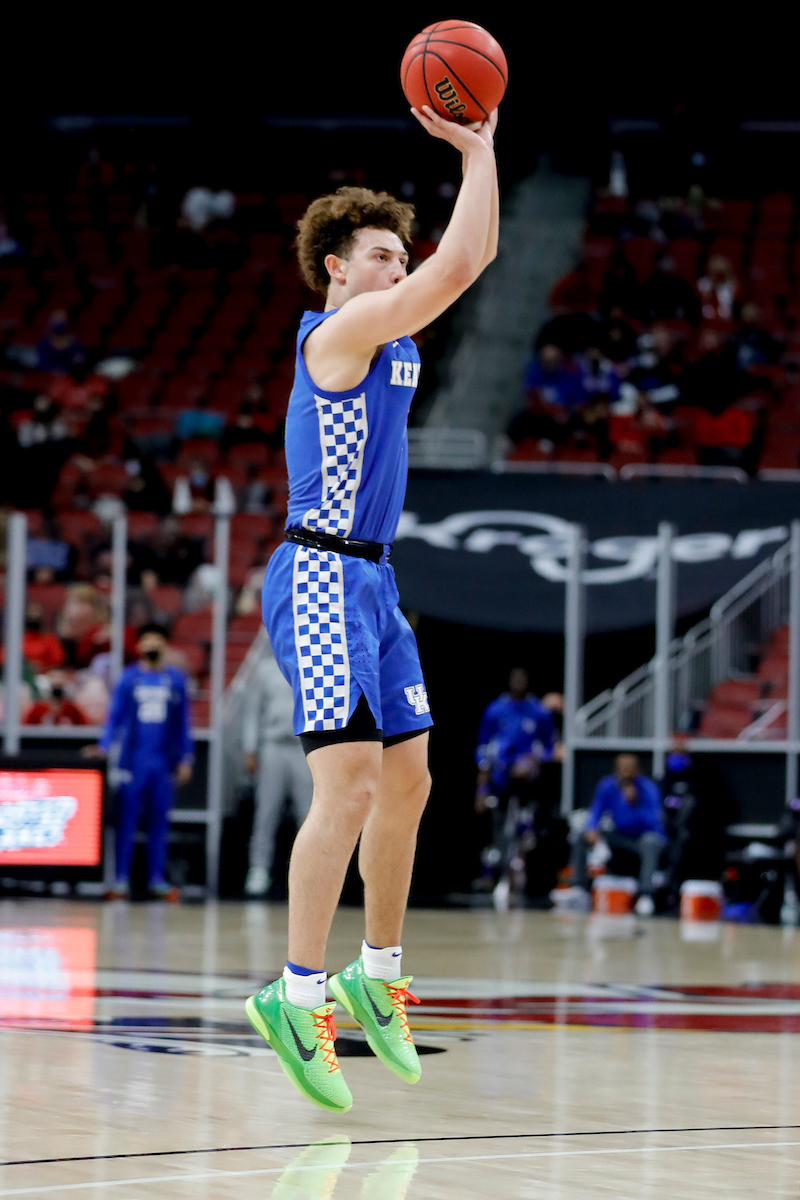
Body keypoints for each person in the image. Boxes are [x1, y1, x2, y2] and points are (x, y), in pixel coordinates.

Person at [246, 101, 499, 1113]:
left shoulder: (389, 322)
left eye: (400, 256)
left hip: (374, 578)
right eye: (382, 255)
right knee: (347, 787)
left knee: (411, 783)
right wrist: (473, 155)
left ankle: (374, 970)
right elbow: (454, 270)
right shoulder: (341, 333)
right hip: (316, 571)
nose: (400, 268)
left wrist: (480, 152)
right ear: (335, 270)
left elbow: (466, 257)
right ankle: (296, 993)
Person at [87, 624, 193, 901]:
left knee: (159, 821)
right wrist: (104, 745)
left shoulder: (176, 681)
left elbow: (183, 723)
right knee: (127, 821)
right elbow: (116, 717)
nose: (152, 646)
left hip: (162, 764)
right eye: (147, 640)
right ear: (139, 646)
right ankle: (120, 879)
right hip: (132, 763)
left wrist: (185, 757)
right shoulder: (129, 678)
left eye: (158, 640)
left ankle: (156, 879)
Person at [473, 668, 557, 900]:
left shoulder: (539, 712)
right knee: (496, 827)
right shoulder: (495, 710)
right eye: (515, 679)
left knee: (524, 826)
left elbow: (549, 747)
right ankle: (491, 873)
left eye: (523, 679)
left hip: (527, 783)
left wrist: (531, 761)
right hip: (500, 779)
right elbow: (483, 747)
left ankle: (521, 876)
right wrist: (482, 786)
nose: (519, 683)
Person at [241, 654, 313, 898]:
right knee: (266, 811)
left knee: (310, 814)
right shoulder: (265, 668)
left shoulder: (315, 661)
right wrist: (250, 747)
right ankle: (259, 869)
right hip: (273, 744)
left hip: (305, 745)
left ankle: (311, 872)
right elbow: (252, 710)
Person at [570, 753, 665, 915]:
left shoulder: (648, 788)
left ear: (637, 770)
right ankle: (579, 889)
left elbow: (655, 822)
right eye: (622, 768)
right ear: (616, 770)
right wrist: (591, 828)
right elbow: (596, 811)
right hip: (618, 837)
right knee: (582, 836)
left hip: (641, 838)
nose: (626, 772)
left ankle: (645, 895)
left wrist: (635, 803)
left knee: (651, 842)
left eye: (630, 768)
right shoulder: (607, 785)